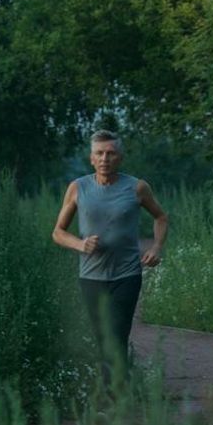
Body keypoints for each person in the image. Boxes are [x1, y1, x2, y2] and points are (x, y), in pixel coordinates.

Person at [51, 130, 169, 379]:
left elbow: (161, 217)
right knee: (103, 336)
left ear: (120, 157)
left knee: (116, 334)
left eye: (110, 153)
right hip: (91, 276)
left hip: (127, 274)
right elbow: (58, 232)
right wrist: (80, 244)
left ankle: (114, 398)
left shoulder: (137, 187)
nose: (105, 158)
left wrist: (156, 247)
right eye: (99, 153)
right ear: (91, 158)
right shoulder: (78, 188)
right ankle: (122, 387)